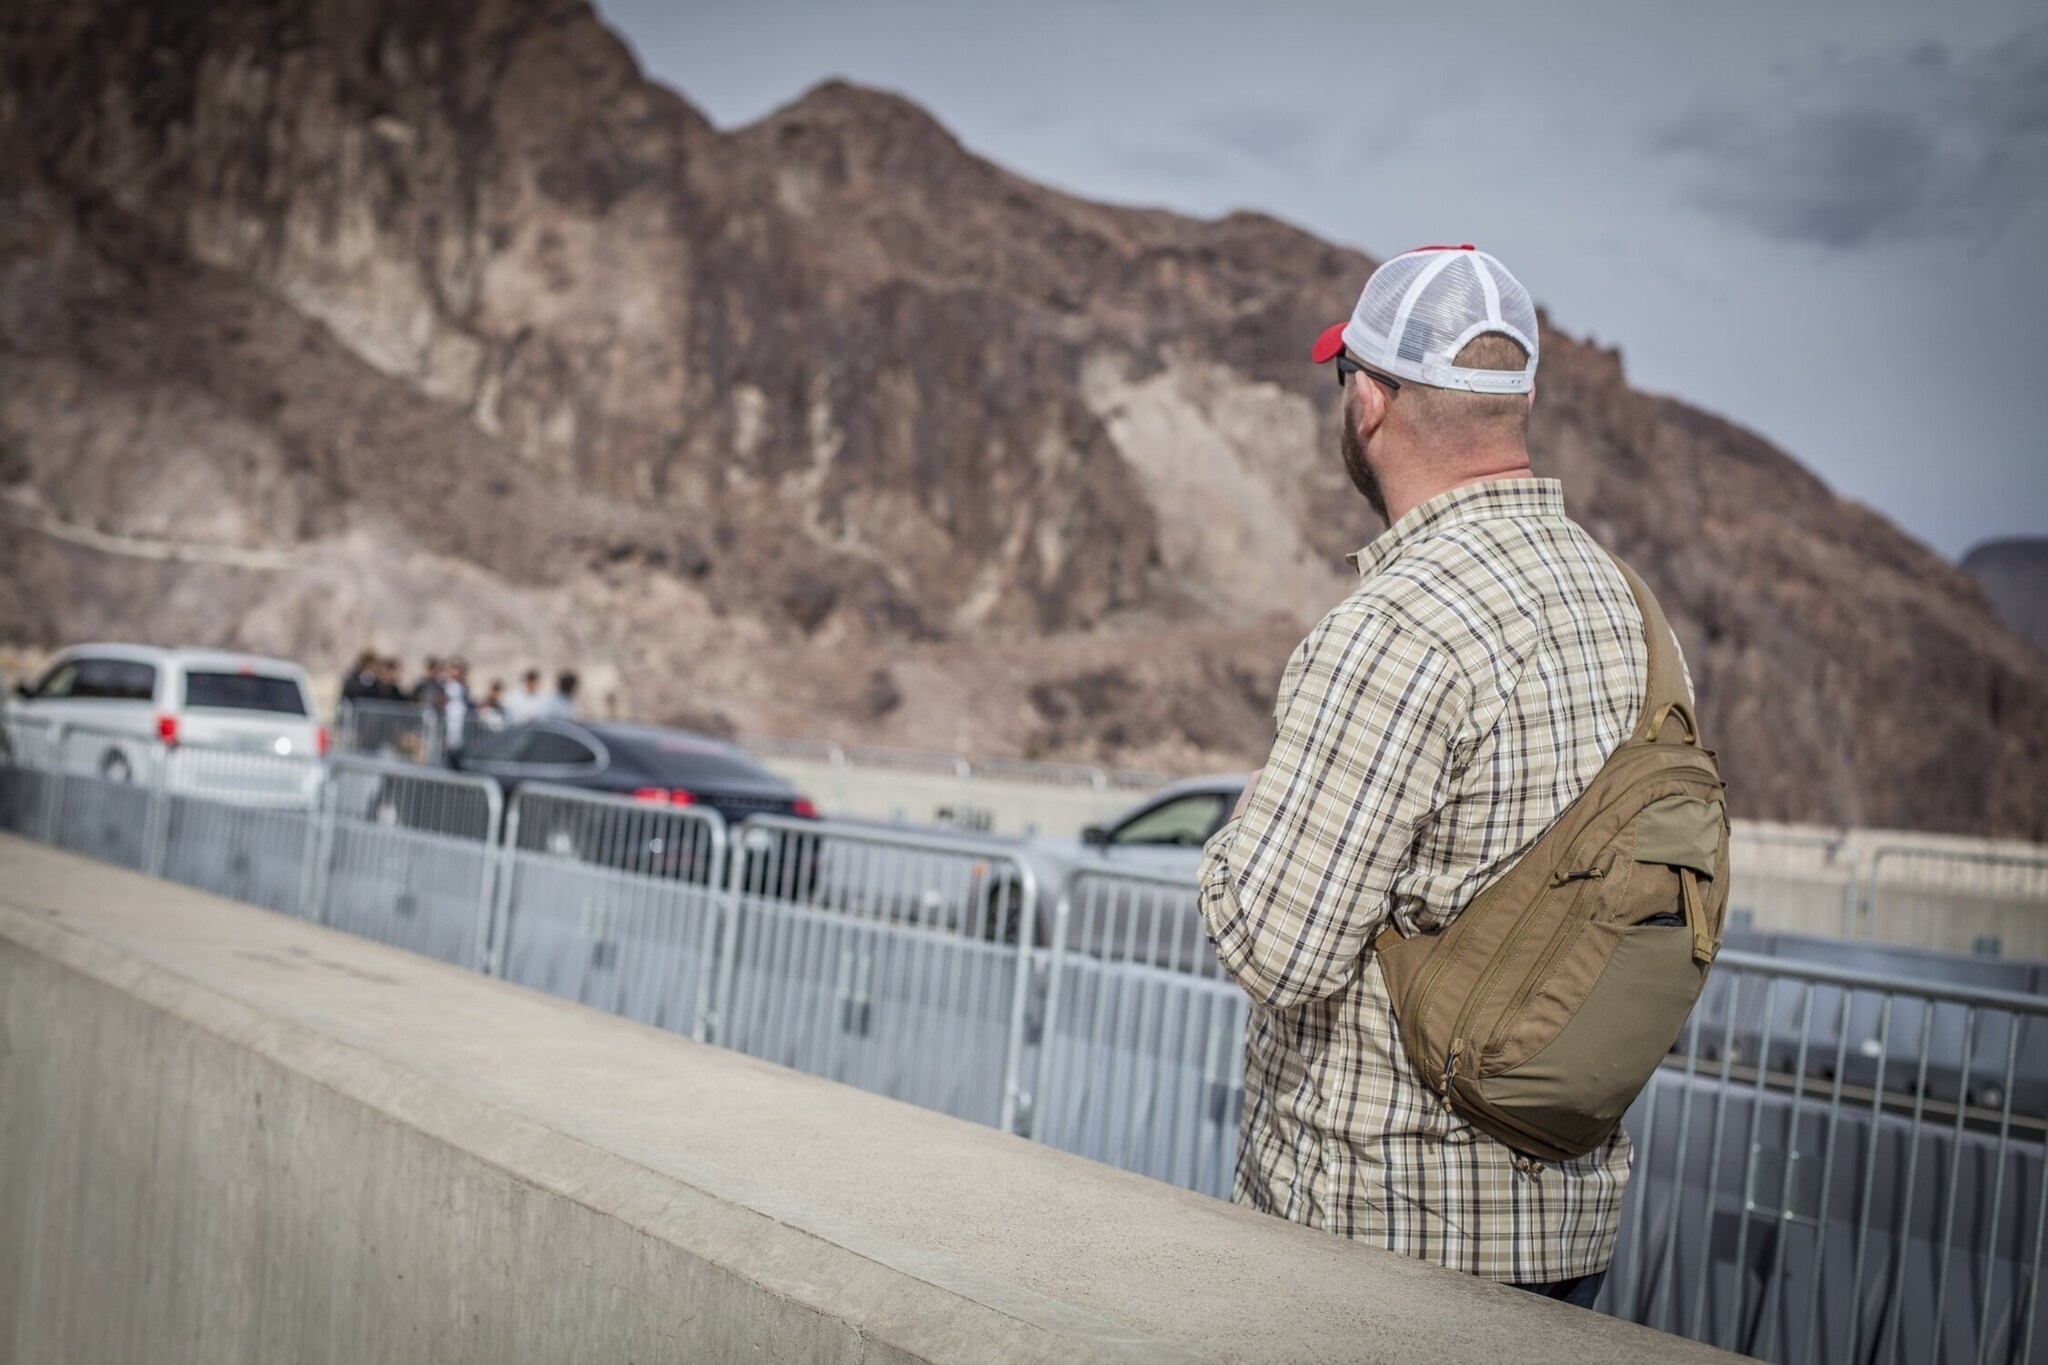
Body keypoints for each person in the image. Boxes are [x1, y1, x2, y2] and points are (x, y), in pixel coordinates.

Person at [1197, 246, 1680, 1307]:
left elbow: (1276, 949)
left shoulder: (1395, 626)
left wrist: (1240, 827)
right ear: (1523, 397)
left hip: (1373, 1238)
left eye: (1343, 382)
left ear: (1365, 401)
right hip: (1562, 1236)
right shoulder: (1631, 614)